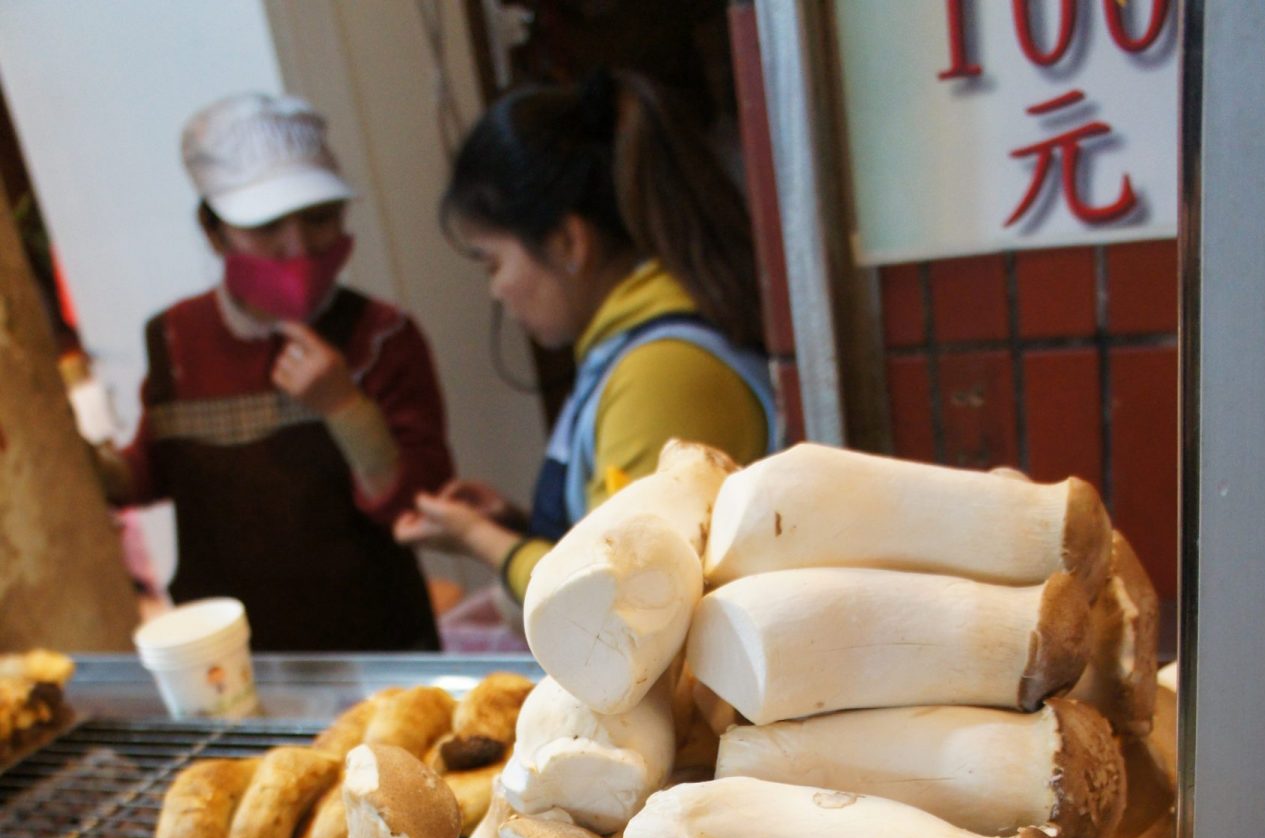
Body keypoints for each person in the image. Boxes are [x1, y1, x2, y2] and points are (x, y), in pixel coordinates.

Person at [395, 69, 777, 607]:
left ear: (568, 241)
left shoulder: (664, 370)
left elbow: (619, 597)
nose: (498, 292)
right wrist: (516, 523)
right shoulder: (623, 350)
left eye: (493, 263)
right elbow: (619, 529)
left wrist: (477, 538)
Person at [100, 93, 453, 653]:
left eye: (320, 219)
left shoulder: (383, 335)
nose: (299, 246)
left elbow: (419, 504)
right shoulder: (173, 336)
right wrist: (83, 465)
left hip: (373, 638)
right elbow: (152, 470)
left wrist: (345, 409)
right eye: (267, 227)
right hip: (234, 649)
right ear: (215, 232)